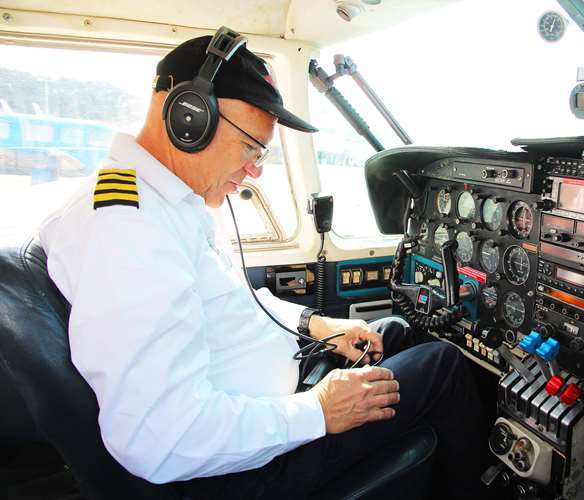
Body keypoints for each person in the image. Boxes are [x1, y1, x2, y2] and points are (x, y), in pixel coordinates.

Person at [39, 30, 487, 499]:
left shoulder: (167, 202)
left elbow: (228, 304)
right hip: (243, 467)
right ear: (188, 116)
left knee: (391, 333)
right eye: (252, 146)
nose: (255, 169)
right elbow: (160, 438)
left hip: (269, 401)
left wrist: (315, 324)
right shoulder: (127, 230)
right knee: (442, 363)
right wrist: (319, 411)